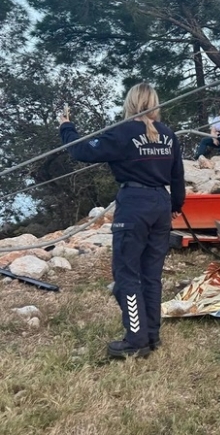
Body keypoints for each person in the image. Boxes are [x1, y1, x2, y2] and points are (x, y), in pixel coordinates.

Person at [59, 83, 185, 358]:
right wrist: (176, 204)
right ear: (155, 103)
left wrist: (66, 126)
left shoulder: (123, 132)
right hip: (160, 205)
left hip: (134, 205)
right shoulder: (168, 135)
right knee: (151, 276)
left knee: (127, 276)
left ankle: (136, 340)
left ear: (130, 103)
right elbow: (177, 174)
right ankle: (151, 336)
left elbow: (82, 151)